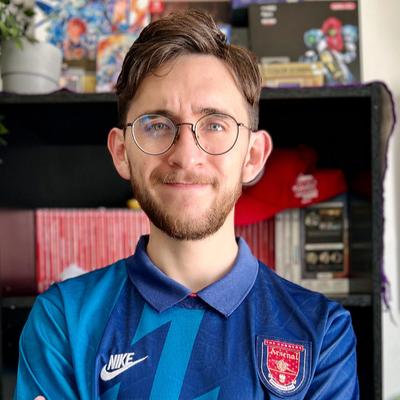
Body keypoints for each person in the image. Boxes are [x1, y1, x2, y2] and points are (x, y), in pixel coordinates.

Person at [14, 9, 359, 400]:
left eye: (215, 125)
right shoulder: (64, 320)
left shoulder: (321, 331)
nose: (185, 155)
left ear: (252, 156)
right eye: (157, 125)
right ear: (122, 152)